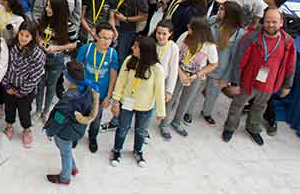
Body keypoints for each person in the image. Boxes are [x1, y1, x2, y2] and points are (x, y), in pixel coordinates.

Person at [222, 8, 296, 145]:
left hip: (269, 84)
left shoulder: (287, 41)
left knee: (260, 107)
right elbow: (239, 60)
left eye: (274, 22)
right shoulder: (251, 37)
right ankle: (230, 127)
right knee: (237, 105)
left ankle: (253, 128)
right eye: (267, 21)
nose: (270, 25)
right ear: (263, 21)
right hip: (247, 81)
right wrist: (235, 82)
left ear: (281, 23)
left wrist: (287, 85)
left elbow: (291, 65)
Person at [109, 36, 166, 168]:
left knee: (141, 131)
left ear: (144, 50)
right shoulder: (129, 60)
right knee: (122, 129)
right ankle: (116, 150)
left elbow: (159, 91)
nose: (132, 48)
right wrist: (115, 102)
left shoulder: (157, 69)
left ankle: (138, 151)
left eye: (136, 47)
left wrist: (161, 111)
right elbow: (121, 82)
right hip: (127, 103)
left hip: (145, 107)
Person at [44, 60, 99, 185]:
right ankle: (73, 168)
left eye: (64, 75)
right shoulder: (86, 89)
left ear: (69, 79)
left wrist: (49, 131)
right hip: (77, 128)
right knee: (67, 150)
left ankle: (65, 177)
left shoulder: (68, 100)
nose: (63, 78)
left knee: (65, 153)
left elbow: (58, 119)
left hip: (66, 132)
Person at [164, 17, 218, 136]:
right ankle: (164, 124)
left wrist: (198, 75)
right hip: (178, 72)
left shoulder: (209, 46)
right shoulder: (185, 36)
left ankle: (177, 122)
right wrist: (180, 72)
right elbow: (174, 55)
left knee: (186, 100)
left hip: (194, 77)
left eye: (191, 27)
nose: (188, 27)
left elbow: (213, 64)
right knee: (171, 98)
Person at [76, 24, 119, 153]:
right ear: (96, 36)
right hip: (84, 92)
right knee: (81, 115)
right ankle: (77, 134)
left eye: (110, 39)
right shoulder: (86, 49)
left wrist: (108, 96)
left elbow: (113, 77)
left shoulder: (112, 54)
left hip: (100, 95)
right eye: (104, 38)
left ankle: (93, 137)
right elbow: (77, 69)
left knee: (96, 119)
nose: (107, 42)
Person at [2, 26, 45, 147]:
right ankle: (9, 126)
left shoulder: (37, 53)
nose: (23, 38)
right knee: (9, 108)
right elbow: (3, 65)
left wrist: (22, 91)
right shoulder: (11, 46)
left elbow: (35, 76)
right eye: (21, 34)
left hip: (25, 91)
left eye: (27, 36)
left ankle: (26, 130)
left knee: (24, 112)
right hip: (9, 86)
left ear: (33, 37)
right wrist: (6, 85)